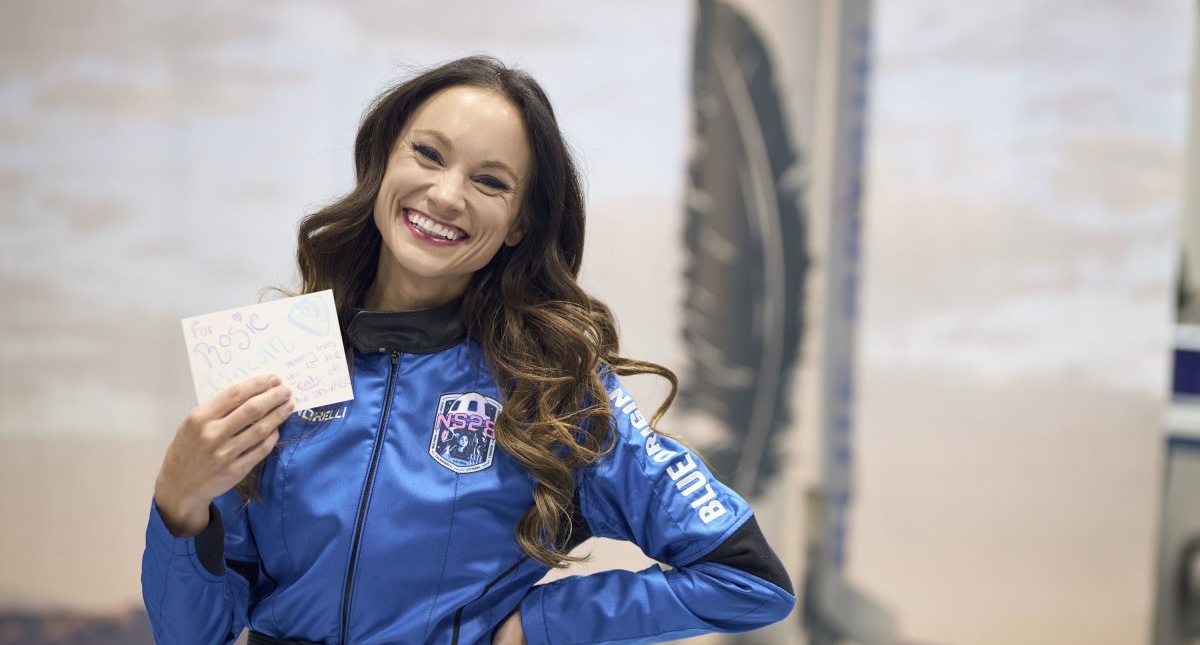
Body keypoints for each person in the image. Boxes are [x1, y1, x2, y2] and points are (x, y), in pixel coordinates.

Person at [142, 56, 795, 645]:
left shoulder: (550, 386)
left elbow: (746, 575)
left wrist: (543, 626)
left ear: (521, 225)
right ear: (383, 162)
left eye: (490, 181)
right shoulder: (279, 353)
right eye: (427, 153)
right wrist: (180, 500)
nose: (447, 195)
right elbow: (191, 633)